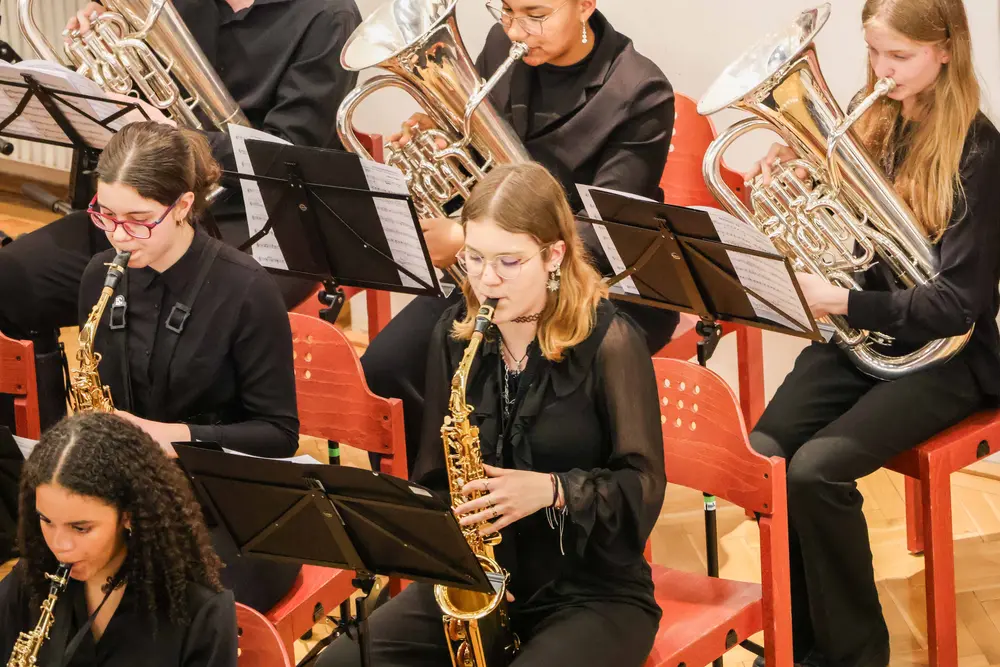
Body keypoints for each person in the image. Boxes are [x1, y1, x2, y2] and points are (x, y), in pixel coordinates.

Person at [316, 162, 666, 667]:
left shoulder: (611, 342)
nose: (486, 279)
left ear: (553, 256)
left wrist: (552, 490)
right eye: (474, 258)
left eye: (509, 262)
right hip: (480, 580)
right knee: (340, 663)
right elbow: (435, 476)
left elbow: (643, 488)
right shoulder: (455, 334)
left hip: (590, 592)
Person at [744, 2, 1000, 667]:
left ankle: (855, 656)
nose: (882, 71)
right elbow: (851, 234)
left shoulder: (978, 151)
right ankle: (801, 646)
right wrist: (798, 171)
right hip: (867, 338)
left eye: (900, 56)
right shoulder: (870, 120)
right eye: (873, 52)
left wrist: (842, 300)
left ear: (946, 50)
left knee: (817, 471)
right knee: (766, 456)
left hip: (950, 356)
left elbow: (959, 305)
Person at [0, 0, 361, 431]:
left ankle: (182, 451)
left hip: (262, 219)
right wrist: (100, 56)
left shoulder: (328, 17)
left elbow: (288, 153)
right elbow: (130, 105)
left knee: (169, 333)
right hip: (143, 211)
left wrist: (181, 137)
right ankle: (43, 449)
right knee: (11, 280)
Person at [361, 0, 679, 468]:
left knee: (518, 407)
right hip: (491, 271)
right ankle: (432, 496)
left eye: (536, 15)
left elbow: (602, 233)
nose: (516, 30)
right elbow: (478, 159)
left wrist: (466, 240)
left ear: (585, 5)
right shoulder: (502, 45)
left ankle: (516, 498)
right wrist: (444, 138)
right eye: (506, 10)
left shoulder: (639, 91)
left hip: (587, 284)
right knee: (384, 370)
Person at [77, 120, 301, 613]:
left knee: (156, 607)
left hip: (234, 509)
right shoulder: (101, 276)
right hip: (133, 495)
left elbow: (279, 435)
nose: (118, 236)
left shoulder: (246, 289)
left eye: (138, 219)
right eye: (105, 215)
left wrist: (172, 436)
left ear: (182, 206)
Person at [0, 412, 237, 666]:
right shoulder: (31, 577)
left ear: (128, 516)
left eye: (80, 528)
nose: (60, 546)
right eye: (46, 520)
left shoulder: (201, 611)